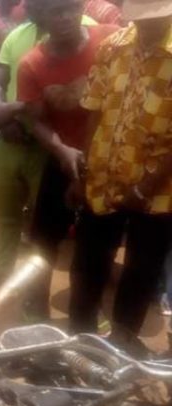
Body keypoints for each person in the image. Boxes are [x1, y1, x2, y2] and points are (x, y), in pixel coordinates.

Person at [0, 0, 97, 291]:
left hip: (49, 146)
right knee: (5, 214)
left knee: (43, 225)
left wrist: (16, 108)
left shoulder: (88, 30)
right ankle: (4, 272)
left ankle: (32, 285)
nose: (60, 15)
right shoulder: (17, 34)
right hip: (9, 139)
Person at [69, 0, 172, 353]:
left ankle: (122, 344)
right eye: (142, 20)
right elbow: (94, 111)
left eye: (157, 18)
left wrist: (145, 188)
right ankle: (79, 340)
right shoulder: (112, 47)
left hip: (159, 190)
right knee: (88, 262)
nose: (148, 26)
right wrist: (83, 173)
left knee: (141, 270)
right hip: (104, 177)